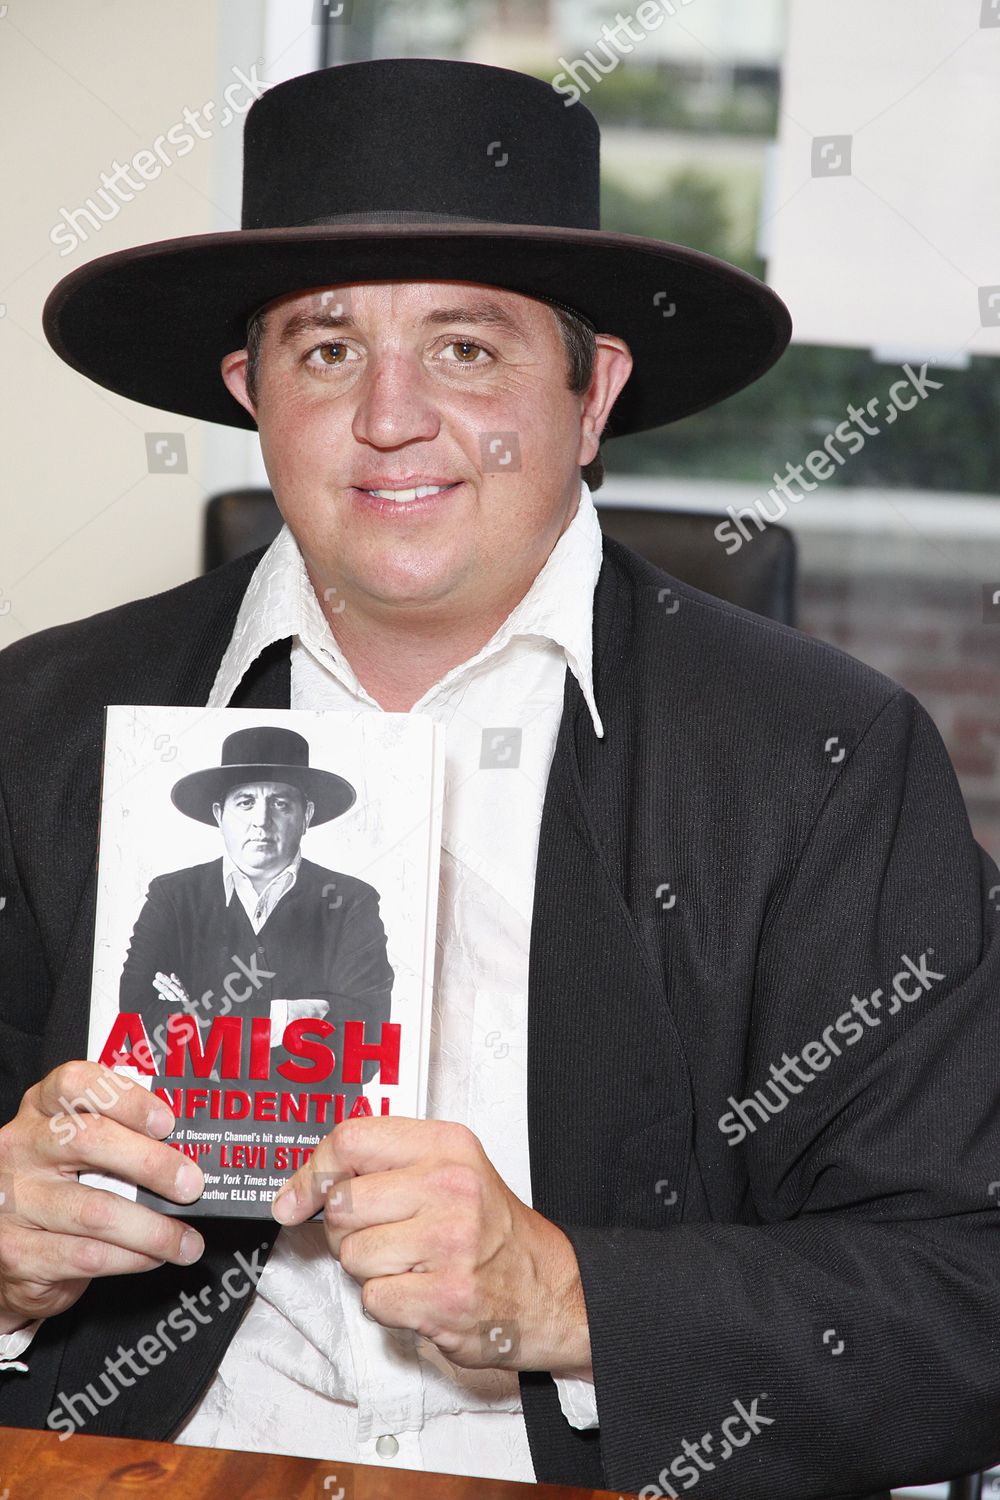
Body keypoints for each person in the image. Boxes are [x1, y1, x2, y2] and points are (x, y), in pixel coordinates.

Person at [0, 56, 998, 1500]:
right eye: (325, 352)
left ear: (593, 397)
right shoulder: (47, 720)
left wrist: (564, 1293)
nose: (390, 416)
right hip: (150, 1464)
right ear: (250, 395)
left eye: (465, 349)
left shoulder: (821, 762)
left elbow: (966, 1298)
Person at [115, 725, 393, 1169]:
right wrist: (290, 1017)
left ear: (307, 814)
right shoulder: (173, 896)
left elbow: (365, 1043)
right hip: (189, 1149)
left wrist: (202, 1020)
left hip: (315, 1154)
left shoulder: (352, 901)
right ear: (219, 814)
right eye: (245, 802)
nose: (261, 821)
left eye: (280, 803)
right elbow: (139, 1023)